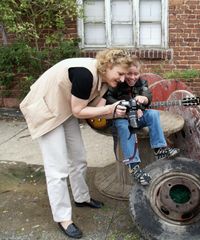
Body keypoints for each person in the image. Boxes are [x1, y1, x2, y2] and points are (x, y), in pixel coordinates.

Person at [19, 49, 133, 239]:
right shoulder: (84, 75)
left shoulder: (104, 80)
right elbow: (80, 110)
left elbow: (96, 110)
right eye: (120, 74)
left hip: (65, 109)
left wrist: (116, 111)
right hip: (46, 110)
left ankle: (81, 198)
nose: (122, 79)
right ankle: (63, 218)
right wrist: (110, 109)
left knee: (78, 157)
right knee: (57, 169)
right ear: (107, 66)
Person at [105, 56, 180, 186]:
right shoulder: (116, 83)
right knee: (124, 127)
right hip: (121, 118)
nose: (132, 77)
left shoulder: (142, 83)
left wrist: (143, 100)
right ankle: (134, 167)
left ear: (140, 73)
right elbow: (107, 98)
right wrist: (123, 106)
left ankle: (160, 149)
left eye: (136, 74)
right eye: (129, 73)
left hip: (137, 117)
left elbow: (147, 95)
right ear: (123, 73)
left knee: (153, 114)